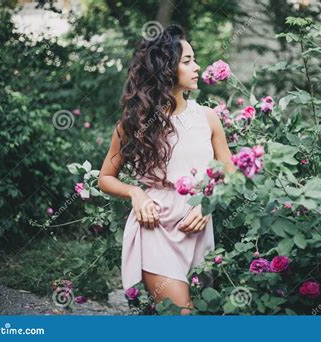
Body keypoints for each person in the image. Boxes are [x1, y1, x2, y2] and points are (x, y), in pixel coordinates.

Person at [98, 24, 235, 315]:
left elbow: (230, 173)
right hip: (155, 228)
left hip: (198, 227)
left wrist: (208, 203)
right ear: (165, 68)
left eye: (194, 60)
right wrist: (136, 193)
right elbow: (105, 178)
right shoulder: (133, 124)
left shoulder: (208, 118)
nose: (197, 67)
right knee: (181, 316)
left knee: (204, 312)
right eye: (187, 61)